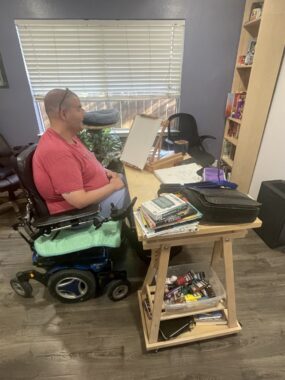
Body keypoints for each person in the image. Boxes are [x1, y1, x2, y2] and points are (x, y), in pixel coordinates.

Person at [33, 88, 130, 217]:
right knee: (139, 197)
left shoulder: (69, 137)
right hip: (86, 212)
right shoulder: (56, 151)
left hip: (98, 197)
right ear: (64, 114)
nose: (83, 113)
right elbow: (79, 201)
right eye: (79, 109)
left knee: (133, 181)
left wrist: (104, 172)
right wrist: (113, 186)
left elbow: (84, 163)